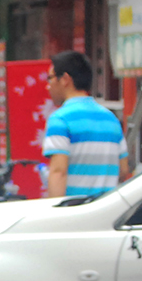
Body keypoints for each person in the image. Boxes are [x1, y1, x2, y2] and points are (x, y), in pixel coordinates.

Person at [42, 50, 131, 198]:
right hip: (106, 211)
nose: (48, 86)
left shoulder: (60, 119)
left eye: (50, 78)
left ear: (65, 79)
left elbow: (59, 172)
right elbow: (123, 170)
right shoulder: (111, 118)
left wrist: (54, 214)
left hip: (76, 213)